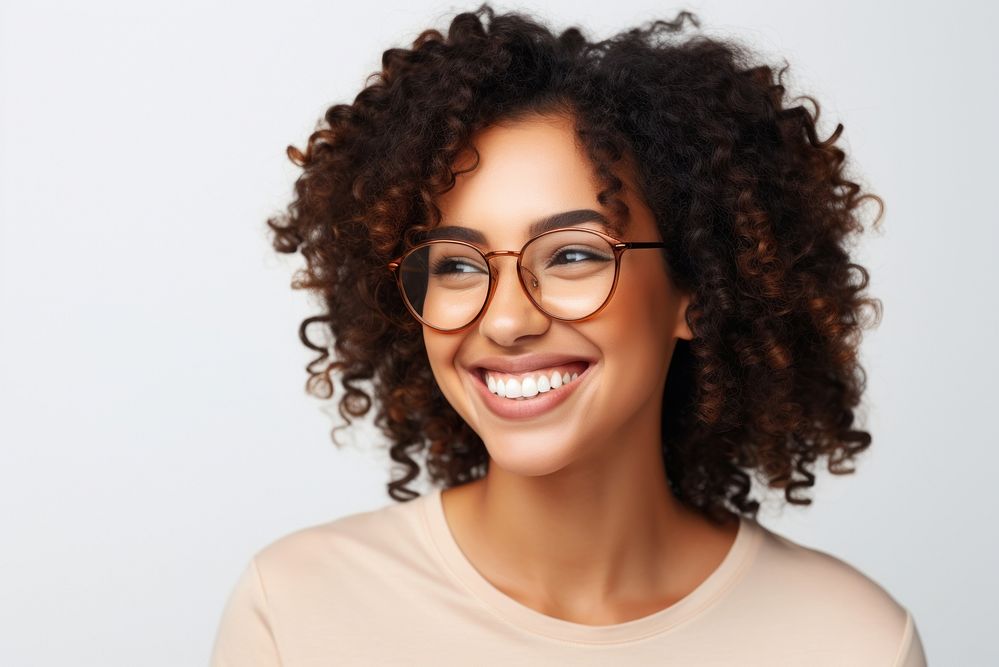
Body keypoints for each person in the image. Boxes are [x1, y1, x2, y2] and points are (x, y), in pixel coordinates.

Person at [210, 5, 926, 665]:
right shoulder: (298, 611)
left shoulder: (853, 641)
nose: (507, 319)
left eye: (574, 255)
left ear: (697, 291)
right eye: (457, 265)